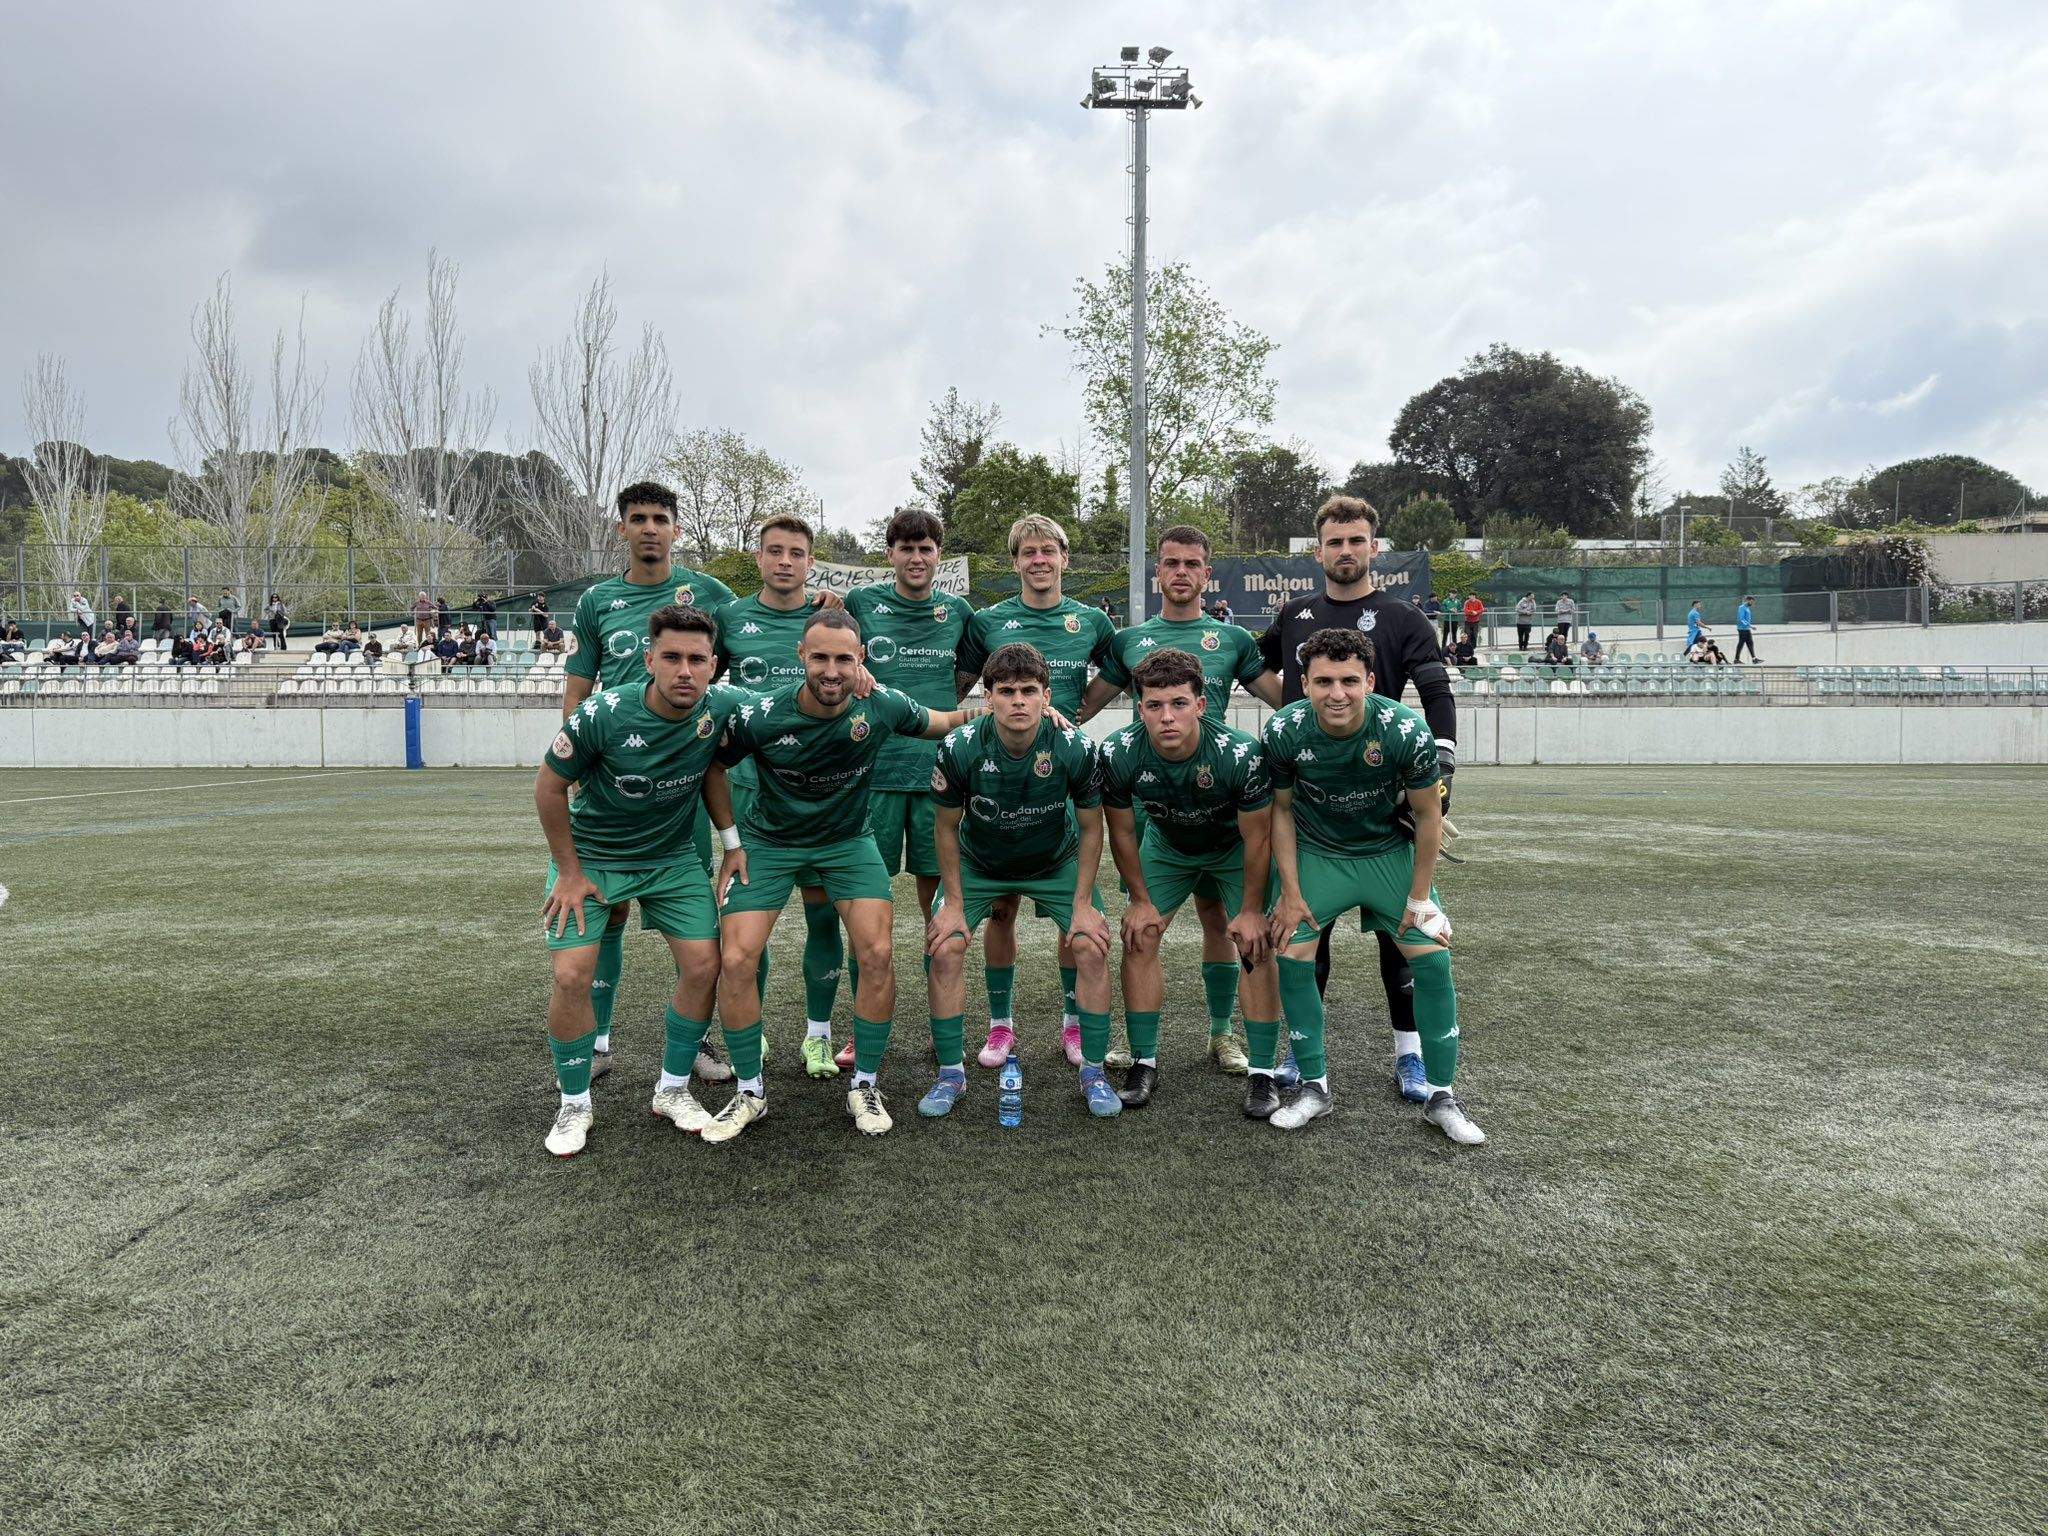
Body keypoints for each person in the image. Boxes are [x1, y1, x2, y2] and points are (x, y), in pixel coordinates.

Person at [701, 608, 979, 1143]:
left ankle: (866, 1084)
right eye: (821, 657)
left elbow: (943, 722)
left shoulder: (881, 706)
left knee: (876, 953)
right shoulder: (760, 714)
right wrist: (731, 843)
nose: (832, 670)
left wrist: (1001, 713)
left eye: (844, 659)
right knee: (736, 958)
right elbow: (715, 765)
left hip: (848, 844)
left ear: (861, 661)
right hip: (769, 843)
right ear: (801, 657)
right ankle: (751, 1091)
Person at [1255, 495, 1459, 1103]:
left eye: (1357, 540)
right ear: (1318, 551)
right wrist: (1300, 720)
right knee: (1300, 934)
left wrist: (1441, 773)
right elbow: (1254, 668)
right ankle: (1301, 1052)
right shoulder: (1294, 614)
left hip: (1383, 800)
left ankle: (1411, 1054)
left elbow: (1436, 692)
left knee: (1405, 938)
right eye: (1335, 542)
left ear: (1375, 547)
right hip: (1316, 811)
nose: (1346, 551)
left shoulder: (1404, 618)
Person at [533, 605, 751, 1158]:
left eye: (696, 660)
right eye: (672, 657)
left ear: (714, 666)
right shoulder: (602, 713)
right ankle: (574, 1101)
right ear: (649, 660)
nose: (684, 670)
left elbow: (776, 720)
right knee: (570, 976)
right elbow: (548, 788)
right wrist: (570, 872)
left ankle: (672, 1088)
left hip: (671, 858)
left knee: (705, 965)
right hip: (595, 857)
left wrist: (731, 844)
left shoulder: (721, 708)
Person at [1262, 627, 1484, 1143]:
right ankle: (1313, 1088)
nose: (1335, 693)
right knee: (1292, 953)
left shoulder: (1405, 730)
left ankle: (1442, 1096)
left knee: (1432, 955)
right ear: (1304, 682)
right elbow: (1281, 813)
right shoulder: (1285, 730)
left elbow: (1429, 817)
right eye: (1322, 682)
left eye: (1347, 680)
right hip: (1321, 856)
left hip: (1388, 856)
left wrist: (1421, 898)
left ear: (1370, 681)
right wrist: (1290, 894)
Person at [1079, 524, 1282, 1073]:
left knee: (1223, 922)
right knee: (1141, 923)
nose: (1181, 573)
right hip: (1157, 808)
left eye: (1192, 564)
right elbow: (1081, 710)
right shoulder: (1128, 642)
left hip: (1226, 799)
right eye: (1171, 563)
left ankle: (1223, 1035)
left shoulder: (1234, 641)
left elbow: (1289, 706)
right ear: (1157, 572)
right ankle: (1144, 1050)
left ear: (1207, 573)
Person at [922, 642, 1119, 1119]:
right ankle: (952, 1072)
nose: (1017, 701)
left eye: (1028, 691)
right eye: (1006, 691)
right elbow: (945, 828)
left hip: (1055, 859)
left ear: (1046, 696)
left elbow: (1094, 827)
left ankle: (1093, 1068)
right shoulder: (961, 746)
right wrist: (950, 901)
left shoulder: (1072, 745)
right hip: (980, 863)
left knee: (1090, 943)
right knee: (944, 945)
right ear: (987, 697)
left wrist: (1083, 903)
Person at [956, 514, 1118, 1067]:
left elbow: (1115, 673)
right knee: (1000, 910)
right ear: (1015, 561)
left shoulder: (1092, 620)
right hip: (1000, 773)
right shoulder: (988, 621)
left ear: (1065, 558)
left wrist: (1076, 713)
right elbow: (964, 682)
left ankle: (1073, 1025)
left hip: (1056, 774)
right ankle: (1001, 1026)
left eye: (1048, 550)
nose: (1039, 560)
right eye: (1028, 552)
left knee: (1071, 917)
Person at [1098, 648, 1284, 1113]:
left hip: (1232, 851)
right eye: (1154, 705)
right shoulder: (1118, 752)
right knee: (1139, 934)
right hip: (1169, 847)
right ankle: (1144, 1059)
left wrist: (1252, 909)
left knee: (1255, 944)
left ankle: (1262, 1072)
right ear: (1139, 707)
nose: (1166, 716)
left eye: (1179, 703)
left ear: (1201, 705)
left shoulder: (1239, 754)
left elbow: (1258, 840)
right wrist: (1139, 899)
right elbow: (1120, 829)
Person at [710, 510, 862, 1073]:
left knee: (824, 916)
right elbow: (704, 679)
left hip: (821, 797)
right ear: (758, 557)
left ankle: (818, 1034)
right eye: (774, 551)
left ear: (810, 562)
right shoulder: (729, 617)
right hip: (751, 794)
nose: (785, 562)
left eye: (796, 554)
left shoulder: (829, 619)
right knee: (753, 919)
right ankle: (755, 1032)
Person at [843, 508, 973, 1032]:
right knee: (866, 914)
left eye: (926, 549)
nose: (916, 558)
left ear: (939, 555)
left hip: (936, 775)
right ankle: (862, 1025)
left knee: (936, 908)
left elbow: (964, 677)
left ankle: (936, 1022)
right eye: (906, 548)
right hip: (871, 775)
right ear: (890, 553)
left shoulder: (960, 611)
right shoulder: (860, 603)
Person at [1734, 595, 1759, 663]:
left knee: (1750, 643)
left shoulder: (1747, 608)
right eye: (1751, 602)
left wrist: (1749, 627)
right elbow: (1741, 619)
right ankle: (1736, 659)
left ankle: (1754, 659)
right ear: (1748, 600)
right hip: (1742, 629)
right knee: (1741, 643)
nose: (1752, 603)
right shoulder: (1742, 607)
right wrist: (1750, 626)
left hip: (1747, 628)